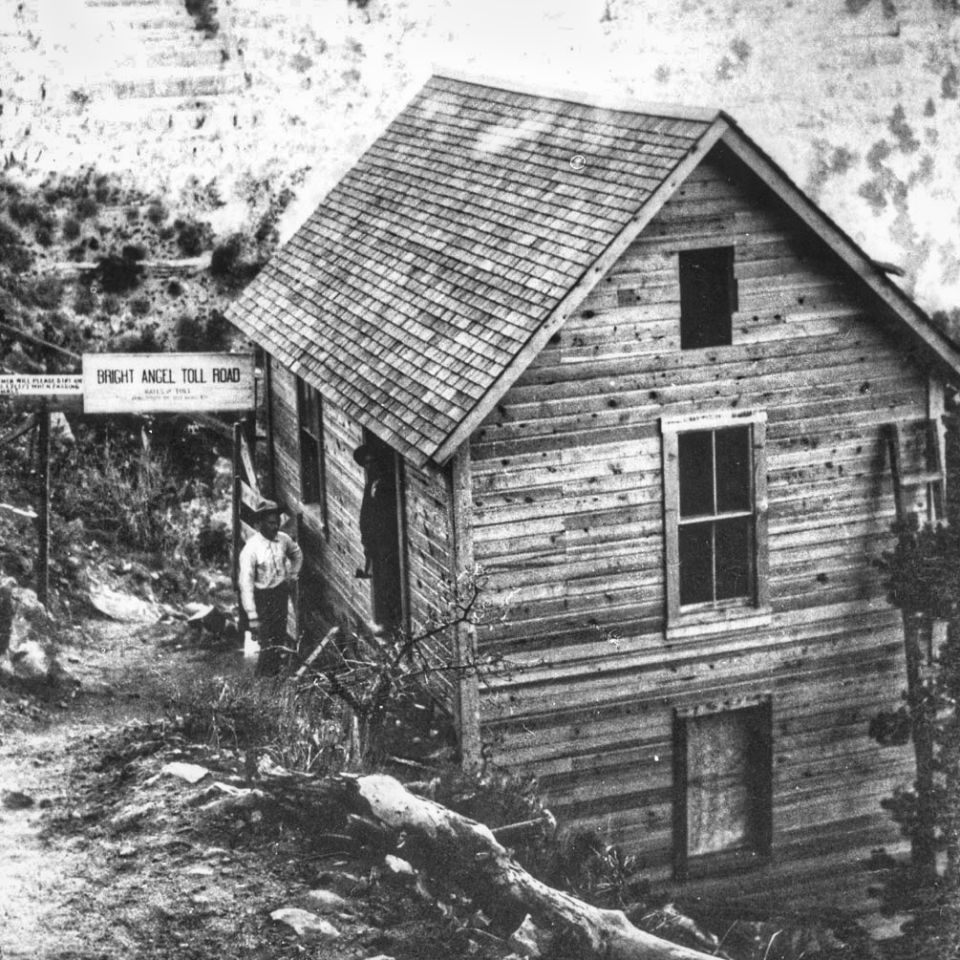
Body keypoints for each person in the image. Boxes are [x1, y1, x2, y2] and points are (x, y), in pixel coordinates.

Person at [238, 498, 303, 676]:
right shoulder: (251, 549)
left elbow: (297, 554)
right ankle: (261, 681)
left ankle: (272, 677)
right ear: (260, 524)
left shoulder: (283, 540)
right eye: (271, 523)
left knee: (279, 637)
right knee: (267, 642)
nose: (275, 526)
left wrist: (292, 575)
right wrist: (251, 614)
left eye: (277, 522)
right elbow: (246, 584)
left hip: (280, 594)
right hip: (262, 598)